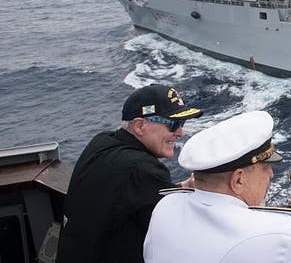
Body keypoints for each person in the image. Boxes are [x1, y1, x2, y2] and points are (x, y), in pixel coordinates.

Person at [144, 111, 291, 263]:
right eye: (266, 167)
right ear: (238, 180)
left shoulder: (165, 207)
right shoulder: (283, 234)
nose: (271, 175)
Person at [57, 84, 203, 263]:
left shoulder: (102, 142)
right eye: (174, 124)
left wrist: (184, 187)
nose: (180, 133)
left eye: (182, 124)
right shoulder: (142, 169)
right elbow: (181, 231)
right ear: (140, 126)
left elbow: (136, 195)